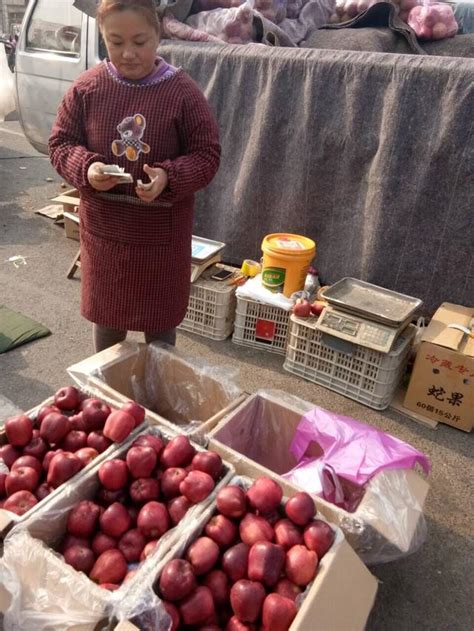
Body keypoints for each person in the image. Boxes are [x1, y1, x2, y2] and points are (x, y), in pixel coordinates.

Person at [49, 0, 221, 352]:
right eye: (115, 42)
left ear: (158, 35)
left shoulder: (182, 93)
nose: (128, 53)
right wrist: (87, 167)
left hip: (161, 245)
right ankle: (108, 403)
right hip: (105, 238)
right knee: (108, 334)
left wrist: (167, 178)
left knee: (159, 341)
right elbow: (61, 143)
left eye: (139, 42)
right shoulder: (86, 89)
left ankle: (153, 403)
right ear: (102, 38)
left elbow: (207, 155)